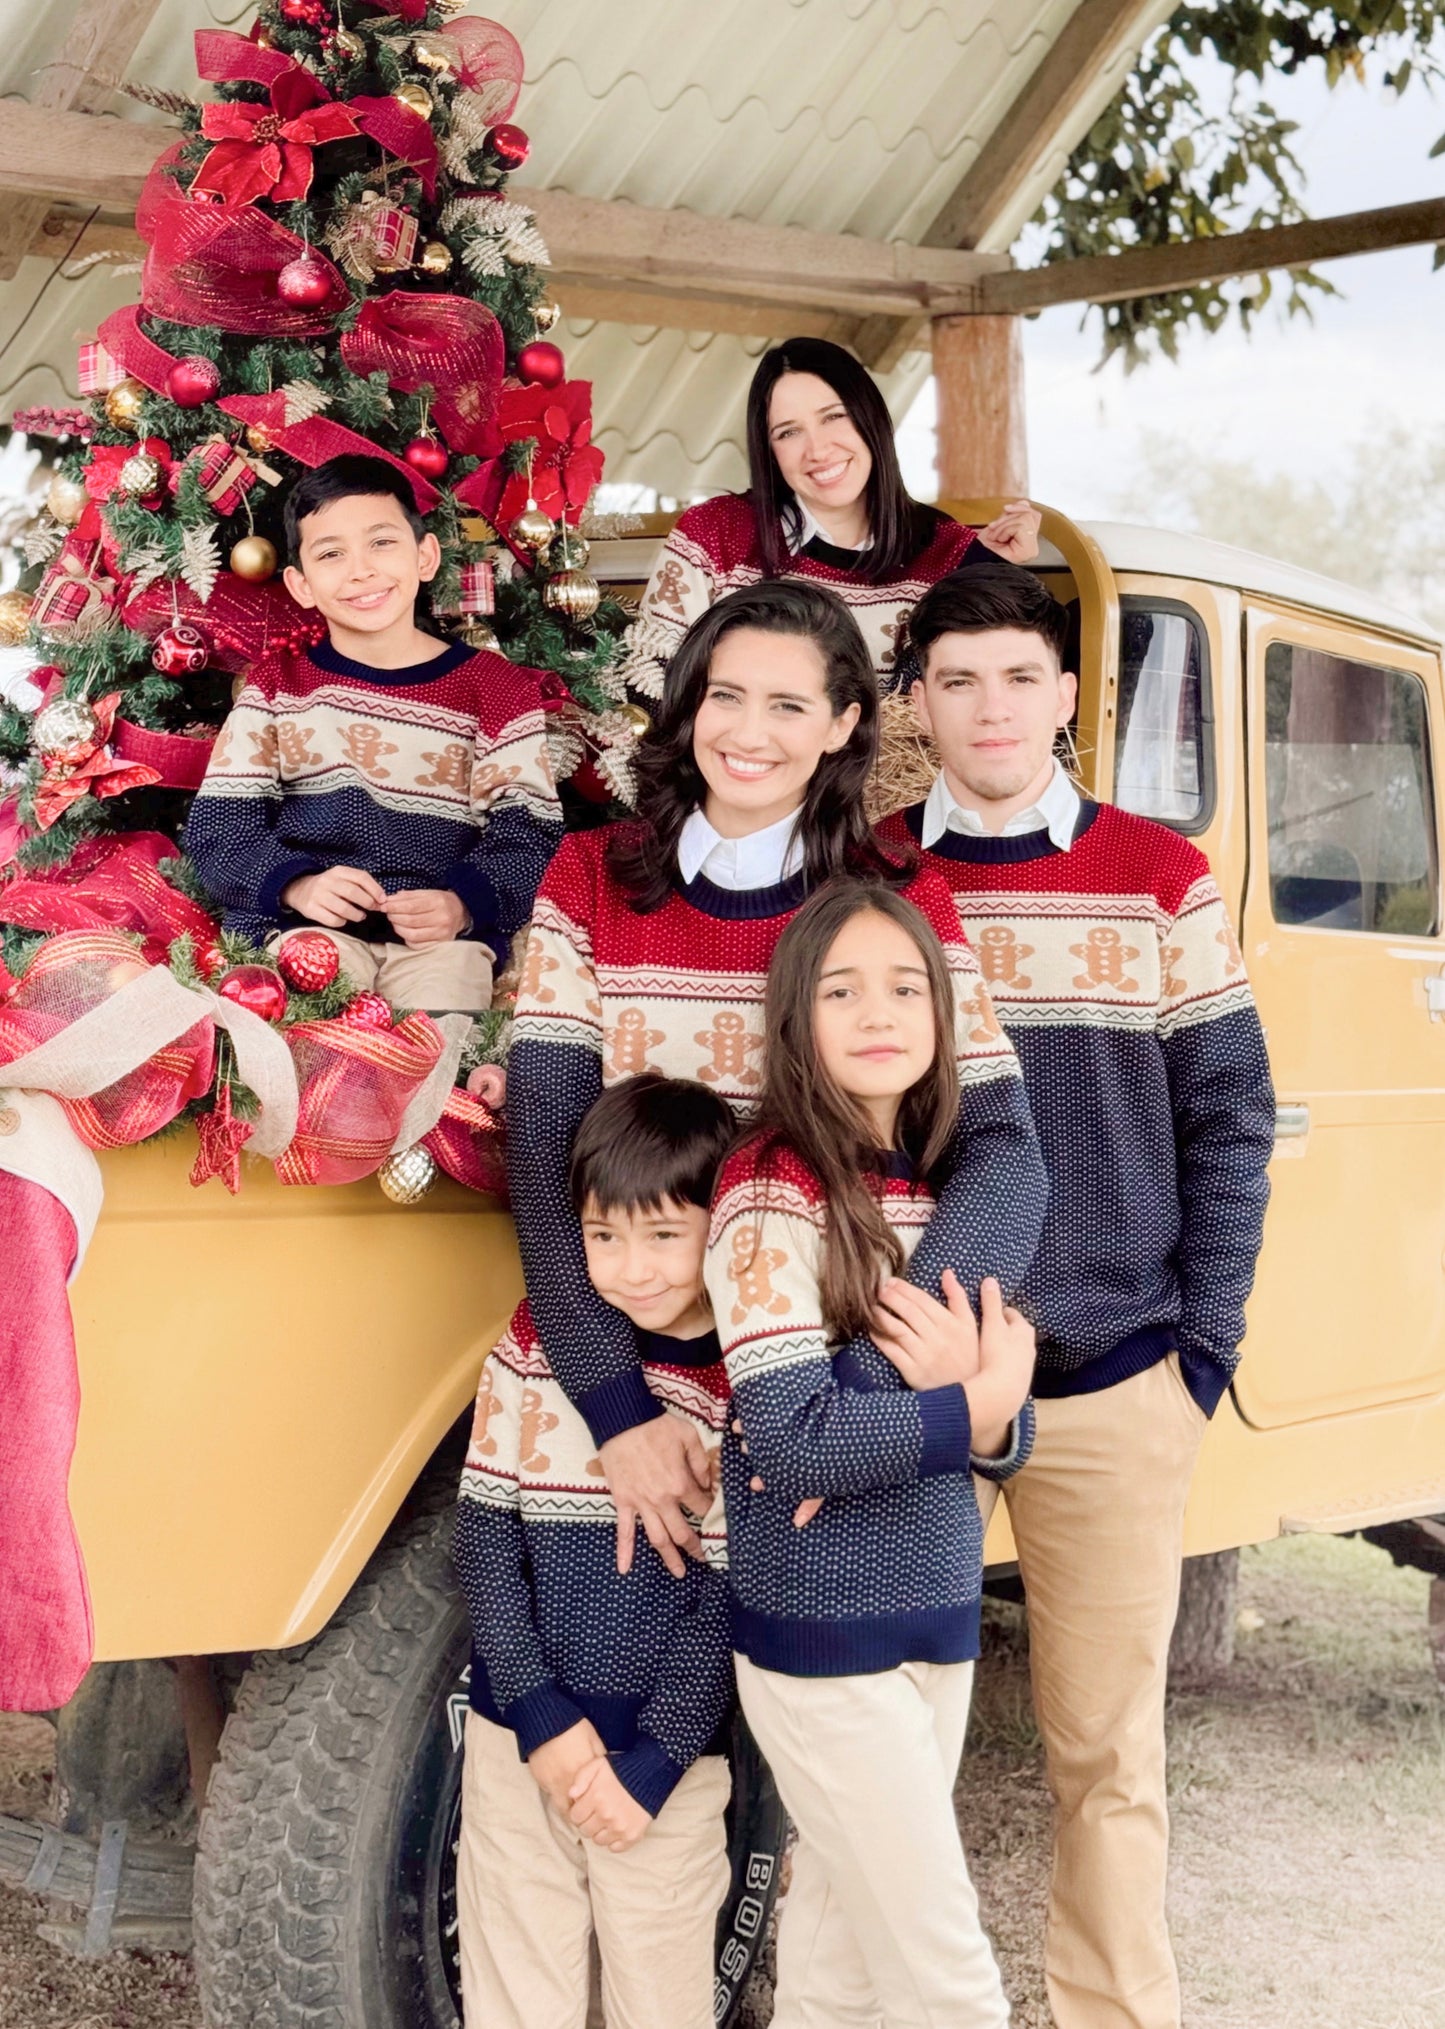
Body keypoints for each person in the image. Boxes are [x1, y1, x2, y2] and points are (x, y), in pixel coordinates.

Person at [877, 563, 1275, 2029]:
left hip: (1115, 1375)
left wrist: (1201, 1347)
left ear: (1066, 699)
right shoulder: (868, 877)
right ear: (919, 702)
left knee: (1106, 1752)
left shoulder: (1161, 877)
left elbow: (1228, 1114)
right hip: (909, 1375)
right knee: (879, 1736)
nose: (991, 706)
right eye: (959, 678)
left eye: (1019, 678)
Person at [506, 577, 1047, 1582]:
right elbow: (543, 1159)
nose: (748, 731)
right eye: (724, 695)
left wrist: (859, 1388)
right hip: (643, 1391)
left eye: (789, 704)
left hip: (834, 1392)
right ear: (687, 706)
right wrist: (618, 1412)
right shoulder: (586, 879)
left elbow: (1003, 1154)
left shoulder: (898, 896)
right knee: (638, 1707)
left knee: (808, 1724)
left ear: (844, 725)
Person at [708, 878, 1036, 2027]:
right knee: (948, 1980)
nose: (877, 1011)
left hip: (935, 1610)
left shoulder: (945, 1196)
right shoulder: (767, 1190)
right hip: (820, 1633)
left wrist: (990, 1411)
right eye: (839, 989)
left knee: (843, 1962)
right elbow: (793, 1440)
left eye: (906, 986)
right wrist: (969, 1403)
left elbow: (999, 1414)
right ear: (794, 1017)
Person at [452, 1073, 736, 2029]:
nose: (633, 1267)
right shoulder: (538, 1346)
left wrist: (653, 1763)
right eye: (603, 1236)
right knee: (514, 1998)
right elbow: (486, 1539)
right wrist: (533, 1709)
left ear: (720, 1224)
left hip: (665, 1773)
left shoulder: (747, 1376)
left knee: (658, 2002)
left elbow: (731, 1600)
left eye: (664, 1235)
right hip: (518, 1747)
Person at [185, 455, 560, 1014]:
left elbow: (530, 836)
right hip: (306, 928)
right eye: (332, 554)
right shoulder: (278, 687)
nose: (360, 570)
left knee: (441, 1040)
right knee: (312, 1029)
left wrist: (462, 904)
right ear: (301, 584)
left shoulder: (497, 692)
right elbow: (220, 828)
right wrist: (298, 886)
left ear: (425, 556)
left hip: (441, 943)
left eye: (381, 543)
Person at [620, 335, 1042, 700]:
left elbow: (956, 692)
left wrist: (987, 570)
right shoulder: (714, 535)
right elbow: (648, 688)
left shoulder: (947, 551)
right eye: (788, 432)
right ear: (769, 451)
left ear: (870, 418)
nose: (818, 450)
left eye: (833, 416)